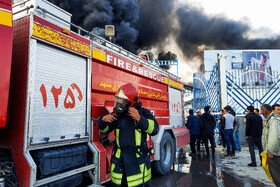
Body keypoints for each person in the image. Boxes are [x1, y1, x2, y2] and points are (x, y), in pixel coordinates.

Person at [98, 83, 159, 187]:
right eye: (118, 101)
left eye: (122, 102)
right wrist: (103, 120)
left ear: (131, 103)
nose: (119, 105)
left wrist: (139, 119)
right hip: (119, 163)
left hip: (136, 164)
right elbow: (104, 130)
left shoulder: (143, 113)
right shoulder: (117, 115)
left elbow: (154, 129)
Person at [260, 104, 280, 186]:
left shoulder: (273, 120)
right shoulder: (270, 120)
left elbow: (274, 136)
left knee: (276, 175)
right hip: (275, 151)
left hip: (274, 153)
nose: (261, 113)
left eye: (261, 111)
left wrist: (270, 151)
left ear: (264, 111)